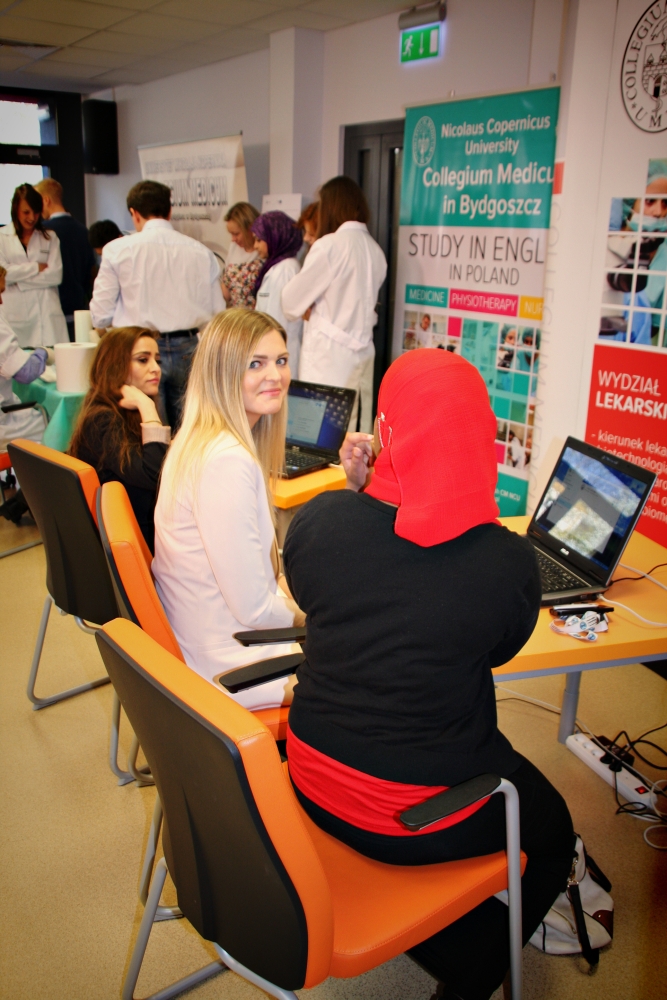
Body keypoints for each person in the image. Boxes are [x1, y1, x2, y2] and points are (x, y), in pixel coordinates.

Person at [282, 349, 574, 1000]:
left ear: (386, 431)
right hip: (416, 817)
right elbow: (497, 652)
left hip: (307, 777)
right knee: (553, 832)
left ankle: (437, 929)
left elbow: (316, 590)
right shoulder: (507, 561)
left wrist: (359, 490)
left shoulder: (321, 520)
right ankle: (466, 976)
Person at [153, 308, 305, 708]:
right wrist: (321, 618)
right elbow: (254, 609)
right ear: (223, 372)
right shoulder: (226, 460)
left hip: (213, 642)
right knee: (378, 672)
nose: (275, 375)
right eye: (256, 363)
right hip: (233, 665)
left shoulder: (201, 439)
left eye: (281, 360)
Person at [90, 180, 224, 430]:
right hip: (188, 349)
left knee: (148, 430)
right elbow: (218, 313)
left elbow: (100, 316)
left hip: (138, 351)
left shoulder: (117, 251)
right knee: (192, 430)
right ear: (169, 212)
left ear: (134, 214)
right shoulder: (201, 252)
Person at [282, 176, 387, 432]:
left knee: (320, 433)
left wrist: (311, 307)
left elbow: (290, 303)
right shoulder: (375, 250)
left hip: (328, 357)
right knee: (351, 429)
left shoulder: (329, 246)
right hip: (361, 353)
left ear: (330, 206)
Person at [69, 327, 170, 553]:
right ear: (115, 366)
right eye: (143, 360)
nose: (156, 368)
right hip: (134, 537)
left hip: (136, 523)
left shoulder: (124, 411)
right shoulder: (102, 419)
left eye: (157, 360)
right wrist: (147, 407)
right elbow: (154, 475)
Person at [0, 264, 51, 524]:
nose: (1, 300)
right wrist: (44, 353)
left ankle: (20, 501)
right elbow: (25, 373)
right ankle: (31, 503)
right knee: (54, 425)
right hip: (3, 423)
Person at [0, 184, 68, 349]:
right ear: (16, 209)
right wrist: (36, 267)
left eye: (36, 212)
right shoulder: (2, 238)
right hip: (16, 318)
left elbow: (55, 276)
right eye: (26, 212)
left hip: (48, 318)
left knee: (54, 360)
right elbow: (3, 275)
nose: (32, 218)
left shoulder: (50, 237)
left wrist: (18, 282)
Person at [35, 178, 97, 343]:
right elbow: (90, 273)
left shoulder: (43, 233)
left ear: (46, 200)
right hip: (79, 314)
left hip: (50, 314)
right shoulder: (84, 231)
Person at [251, 210, 303, 371]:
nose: (255, 246)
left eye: (259, 240)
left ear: (275, 237)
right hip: (274, 351)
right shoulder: (280, 267)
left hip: (277, 352)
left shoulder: (284, 270)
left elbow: (276, 322)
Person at [222, 201, 261, 308]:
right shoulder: (234, 247)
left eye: (236, 234)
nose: (233, 239)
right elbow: (226, 287)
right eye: (231, 234)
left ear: (250, 228)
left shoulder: (264, 251)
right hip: (237, 314)